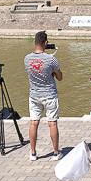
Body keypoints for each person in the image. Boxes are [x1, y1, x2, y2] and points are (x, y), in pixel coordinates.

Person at [24, 31, 63, 160]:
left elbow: (34, 73)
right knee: (52, 123)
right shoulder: (51, 59)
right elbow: (60, 77)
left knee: (34, 123)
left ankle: (33, 153)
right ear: (46, 43)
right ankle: (56, 153)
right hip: (50, 94)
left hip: (34, 95)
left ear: (34, 42)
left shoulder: (27, 58)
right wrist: (53, 73)